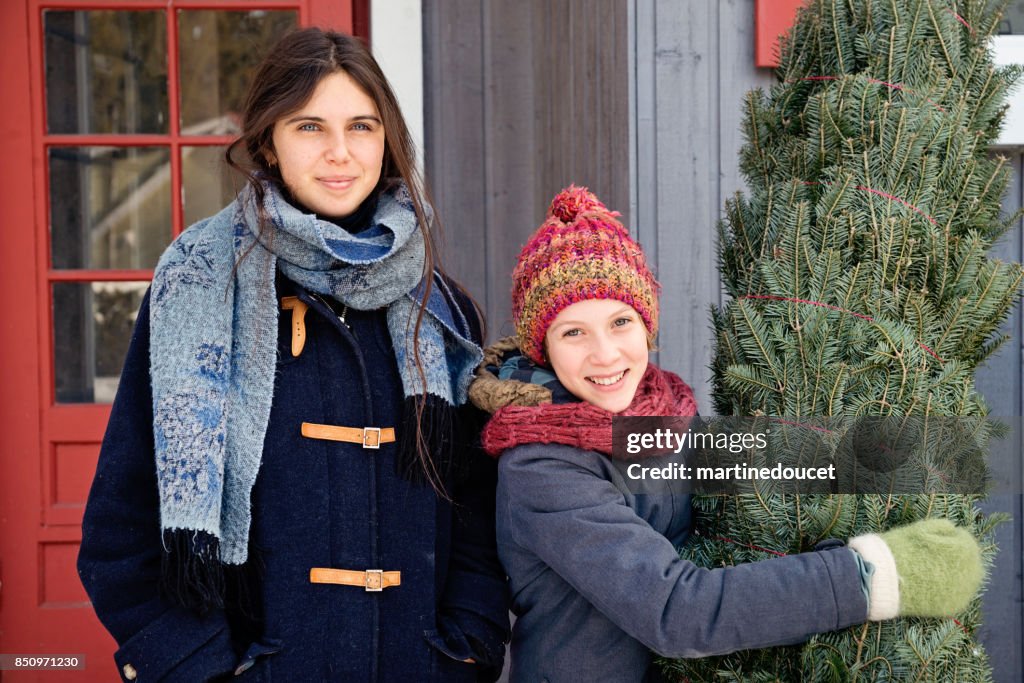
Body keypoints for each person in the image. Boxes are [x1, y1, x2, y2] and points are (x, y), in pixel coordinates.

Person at [78, 27, 509, 682]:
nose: (340, 153)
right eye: (310, 127)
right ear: (269, 143)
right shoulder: (199, 289)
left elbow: (476, 514)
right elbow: (121, 531)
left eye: (362, 126)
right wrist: (200, 669)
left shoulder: (442, 308)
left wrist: (465, 649)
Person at [468, 185, 983, 683]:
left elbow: (752, 461)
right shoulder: (541, 465)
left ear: (647, 324)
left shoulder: (659, 412)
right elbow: (677, 611)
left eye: (620, 321)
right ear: (543, 348)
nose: (605, 354)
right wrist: (869, 577)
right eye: (573, 332)